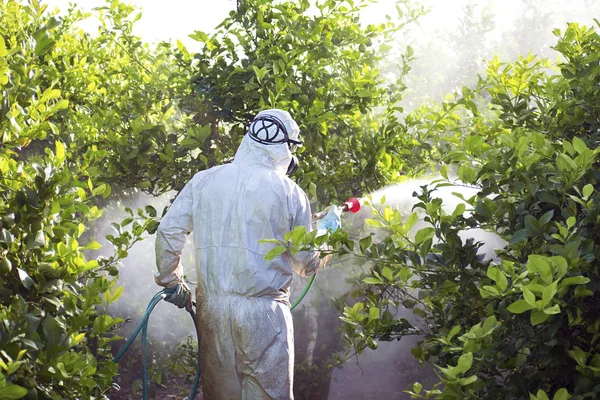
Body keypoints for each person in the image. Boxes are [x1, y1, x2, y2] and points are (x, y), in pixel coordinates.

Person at [154, 109, 342, 400]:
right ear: (286, 148)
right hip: (263, 317)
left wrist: (172, 280)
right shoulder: (289, 192)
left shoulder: (204, 181)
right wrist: (328, 231)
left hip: (212, 312)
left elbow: (168, 231)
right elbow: (308, 261)